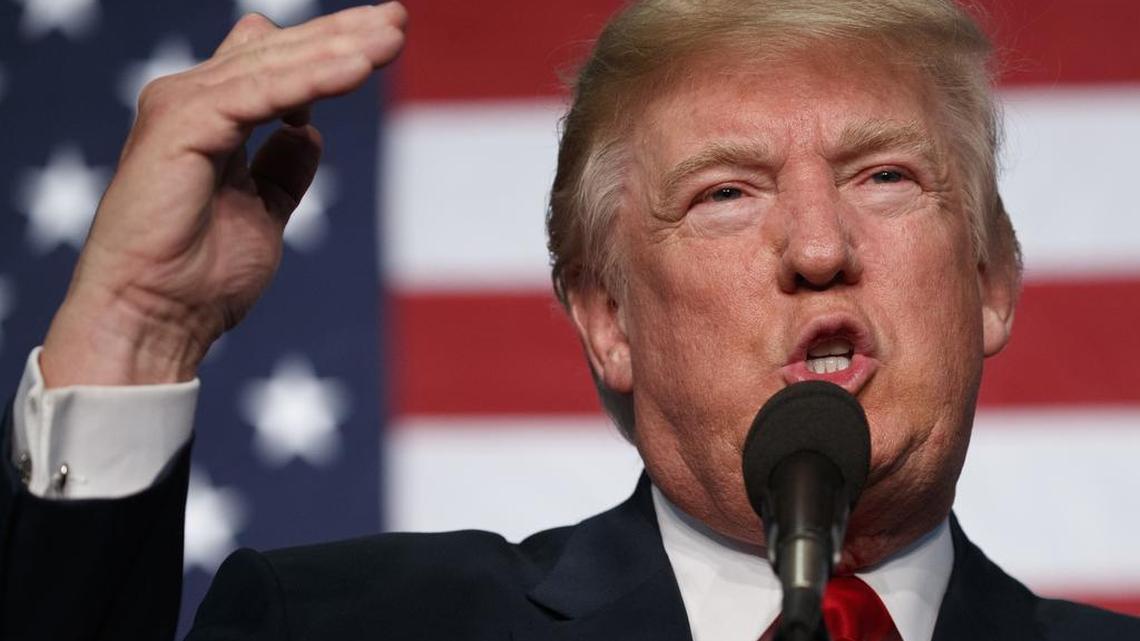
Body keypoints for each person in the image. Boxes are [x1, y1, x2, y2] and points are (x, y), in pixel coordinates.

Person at [1, 0, 1138, 640]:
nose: (818, 247)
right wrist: (137, 337)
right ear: (608, 321)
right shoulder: (349, 629)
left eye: (886, 175)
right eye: (726, 192)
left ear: (991, 278)